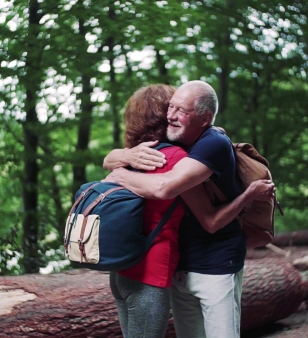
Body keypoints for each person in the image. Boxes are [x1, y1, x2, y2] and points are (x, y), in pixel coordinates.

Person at [104, 80, 275, 338]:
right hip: (180, 266)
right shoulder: (168, 147)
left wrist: (119, 175)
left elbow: (167, 190)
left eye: (181, 110)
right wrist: (123, 157)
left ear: (204, 118)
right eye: (169, 108)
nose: (171, 116)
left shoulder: (206, 145)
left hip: (216, 264)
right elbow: (109, 159)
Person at [108, 83, 188, 338]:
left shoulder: (130, 158)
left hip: (120, 271)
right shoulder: (176, 158)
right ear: (167, 115)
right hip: (149, 274)